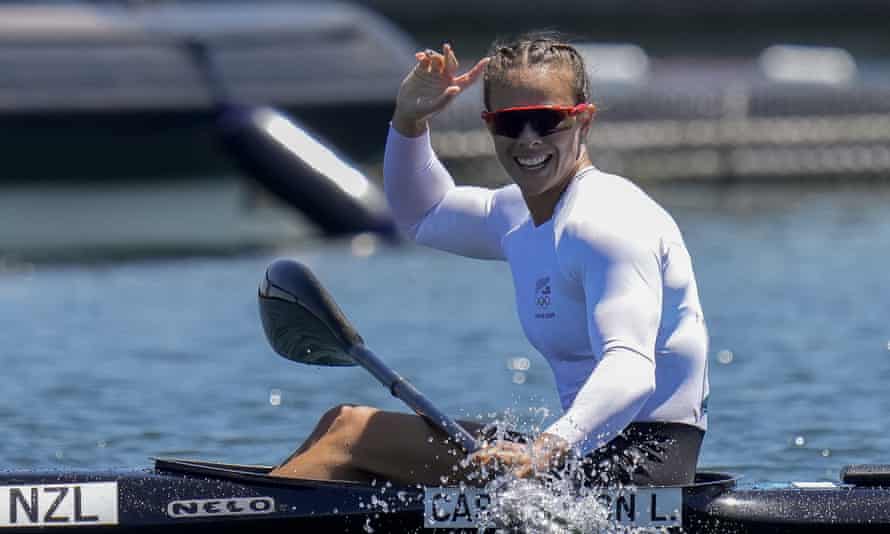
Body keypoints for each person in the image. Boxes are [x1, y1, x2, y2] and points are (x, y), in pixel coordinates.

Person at [271, 33, 709, 487]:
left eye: (545, 120)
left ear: (584, 121)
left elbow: (632, 367)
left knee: (349, 435)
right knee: (340, 428)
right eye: (509, 123)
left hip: (645, 469)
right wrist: (408, 122)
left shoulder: (607, 220)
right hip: (581, 450)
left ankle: (236, 510)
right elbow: (423, 213)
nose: (528, 139)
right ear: (489, 125)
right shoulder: (517, 214)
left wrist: (546, 447)